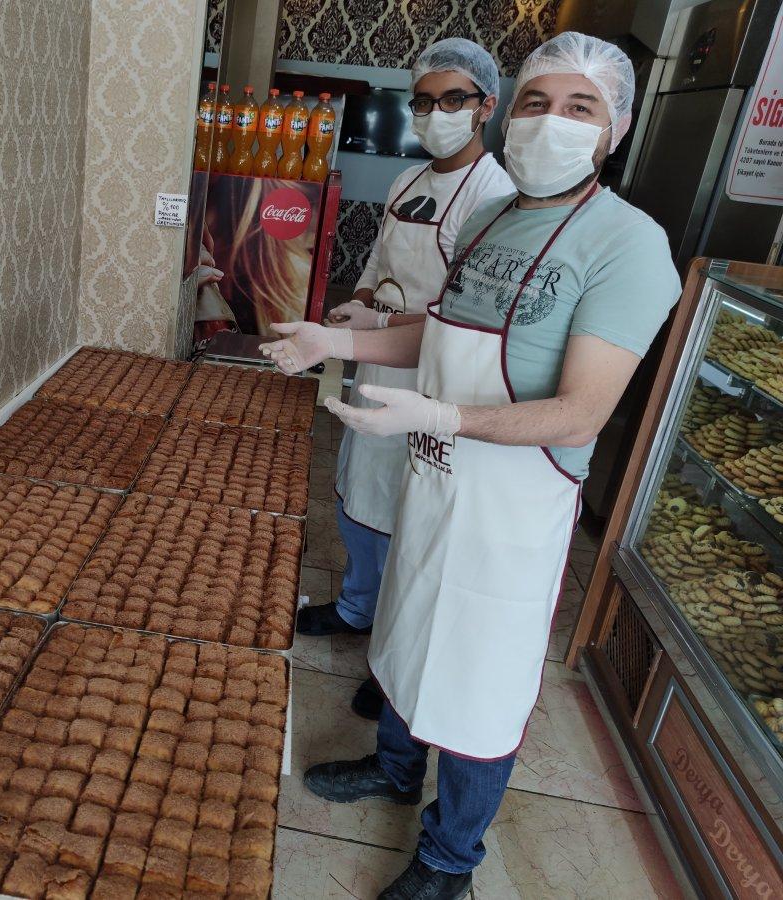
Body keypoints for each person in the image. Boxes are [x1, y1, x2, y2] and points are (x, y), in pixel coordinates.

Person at [263, 33, 681, 900]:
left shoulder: (629, 244)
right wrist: (335, 339)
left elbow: (582, 410)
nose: (550, 123)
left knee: (480, 681)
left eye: (580, 108)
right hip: (436, 476)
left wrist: (446, 414)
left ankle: (451, 859)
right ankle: (392, 767)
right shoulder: (494, 217)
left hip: (512, 507)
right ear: (511, 109)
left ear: (619, 128)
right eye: (537, 101)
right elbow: (444, 332)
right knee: (408, 626)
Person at [297, 41, 514, 714]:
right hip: (377, 358)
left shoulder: (495, 195)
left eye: (453, 100)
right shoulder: (407, 182)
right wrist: (360, 305)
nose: (436, 113)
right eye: (424, 101)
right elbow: (379, 261)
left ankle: (390, 653)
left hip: (433, 381)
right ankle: (359, 608)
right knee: (359, 492)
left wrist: (367, 331)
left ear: (486, 106)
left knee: (408, 520)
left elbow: (466, 316)